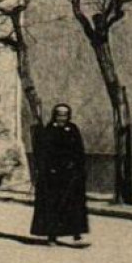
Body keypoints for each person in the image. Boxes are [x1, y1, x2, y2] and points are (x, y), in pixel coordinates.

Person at [30, 102, 89, 244]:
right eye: (59, 114)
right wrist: (48, 168)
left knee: (74, 204)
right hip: (54, 174)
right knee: (53, 205)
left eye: (64, 115)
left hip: (71, 173)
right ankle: (52, 236)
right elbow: (44, 152)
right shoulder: (49, 130)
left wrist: (78, 167)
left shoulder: (73, 129)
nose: (61, 117)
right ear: (54, 115)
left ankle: (76, 234)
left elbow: (79, 149)